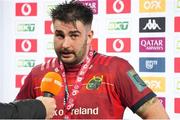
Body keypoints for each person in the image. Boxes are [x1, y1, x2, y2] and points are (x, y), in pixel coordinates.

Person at [16, 0, 169, 119]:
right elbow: (14, 116)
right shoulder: (38, 73)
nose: (65, 44)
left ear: (89, 37)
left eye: (74, 35)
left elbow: (157, 115)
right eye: (59, 35)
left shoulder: (116, 69)